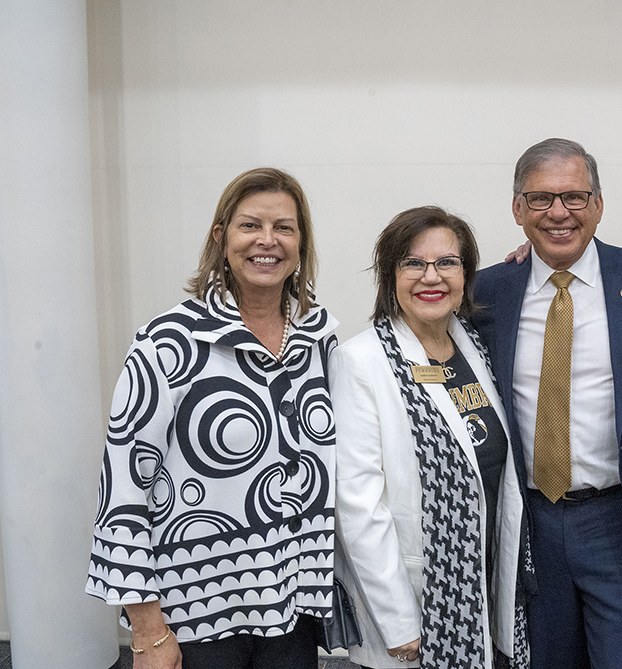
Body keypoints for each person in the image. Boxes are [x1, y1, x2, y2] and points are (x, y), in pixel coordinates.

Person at [86, 168, 339, 669]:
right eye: (251, 226)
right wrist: (147, 632)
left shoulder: (319, 339)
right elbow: (124, 489)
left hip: (292, 603)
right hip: (195, 612)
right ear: (221, 238)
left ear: (301, 243)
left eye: (284, 228)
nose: (267, 241)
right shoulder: (168, 341)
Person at [473, 138, 622, 668]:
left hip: (621, 520)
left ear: (597, 204)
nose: (558, 213)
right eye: (541, 199)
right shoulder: (485, 293)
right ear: (518, 209)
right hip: (528, 521)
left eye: (573, 196)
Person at [331, 206, 527, 669]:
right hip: (420, 602)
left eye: (447, 262)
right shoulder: (362, 362)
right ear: (389, 275)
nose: (430, 276)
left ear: (466, 274)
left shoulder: (475, 346)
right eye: (412, 263)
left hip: (485, 582)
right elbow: (359, 506)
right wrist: (399, 622)